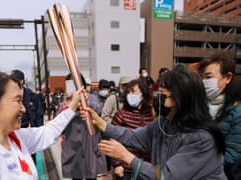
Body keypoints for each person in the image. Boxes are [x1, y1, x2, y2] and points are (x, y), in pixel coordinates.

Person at [81, 65, 227, 179]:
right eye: (158, 93)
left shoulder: (201, 139)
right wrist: (101, 124)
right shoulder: (162, 124)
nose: (158, 100)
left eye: (164, 95)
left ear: (182, 99)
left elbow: (166, 176)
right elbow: (133, 136)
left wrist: (127, 157)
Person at [0, 69, 82, 180]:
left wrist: (72, 105)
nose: (24, 109)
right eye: (17, 101)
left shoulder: (15, 138)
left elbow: (49, 132)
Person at [198, 52, 241, 179]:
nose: (204, 82)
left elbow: (231, 157)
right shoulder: (200, 107)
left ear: (227, 78)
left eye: (209, 77)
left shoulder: (237, 112)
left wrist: (196, 162)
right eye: (203, 78)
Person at [60, 73, 109, 180]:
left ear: (81, 85)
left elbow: (97, 111)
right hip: (72, 148)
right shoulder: (65, 103)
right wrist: (68, 105)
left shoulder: (92, 99)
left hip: (90, 146)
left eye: (75, 83)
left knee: (91, 174)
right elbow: (58, 126)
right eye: (69, 84)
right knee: (75, 175)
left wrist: (84, 102)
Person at [111, 79, 153, 180]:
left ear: (143, 94)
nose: (130, 95)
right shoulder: (121, 114)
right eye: (128, 92)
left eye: (133, 91)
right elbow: (111, 139)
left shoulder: (152, 114)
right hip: (125, 169)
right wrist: (117, 165)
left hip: (146, 168)